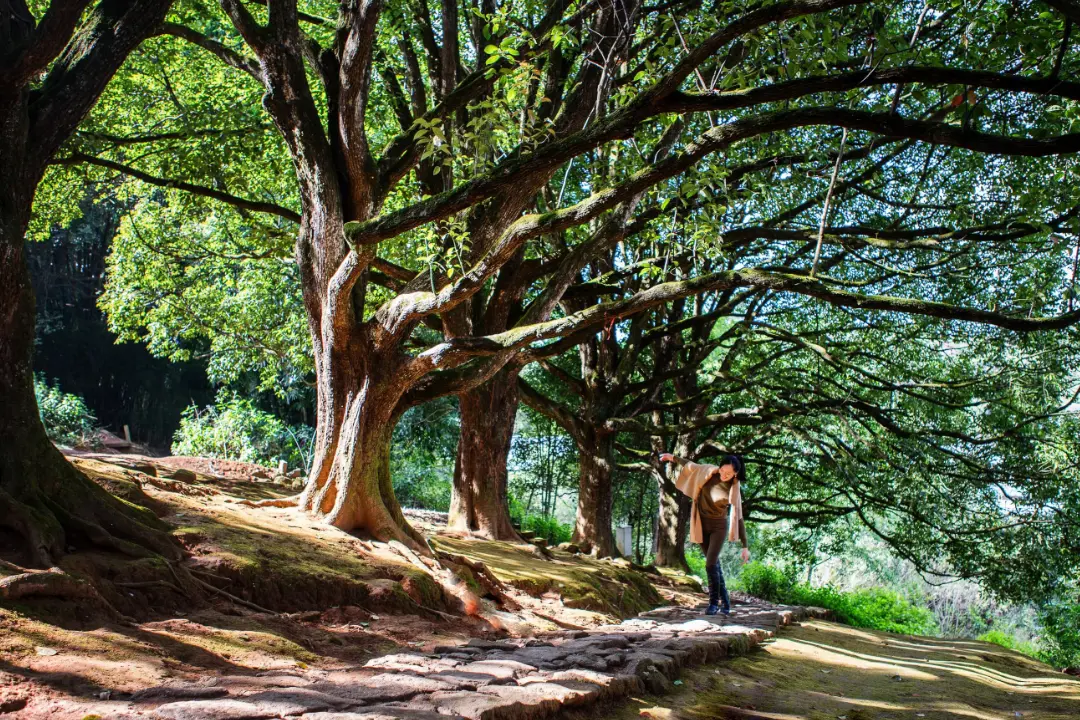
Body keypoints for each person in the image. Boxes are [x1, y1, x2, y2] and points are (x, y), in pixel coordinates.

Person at [659, 452, 750, 616]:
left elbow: (739, 517)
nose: (724, 475)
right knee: (714, 564)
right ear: (719, 467)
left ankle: (714, 603)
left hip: (718, 527)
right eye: (722, 470)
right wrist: (672, 458)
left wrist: (745, 546)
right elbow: (690, 465)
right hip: (700, 523)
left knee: (710, 564)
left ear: (735, 473)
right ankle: (726, 602)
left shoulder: (734, 488)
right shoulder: (708, 472)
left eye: (729, 474)